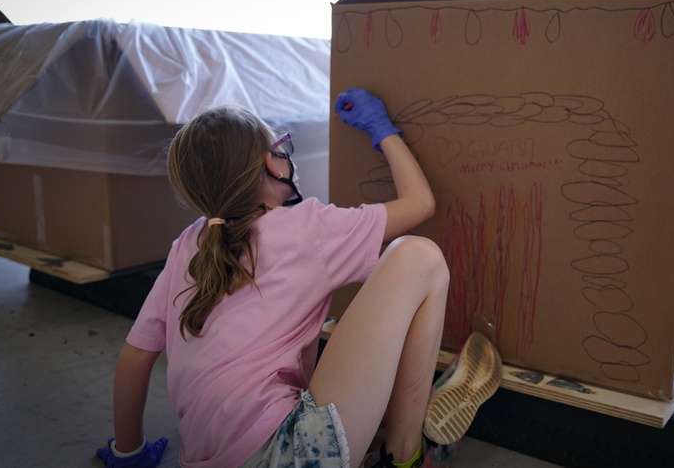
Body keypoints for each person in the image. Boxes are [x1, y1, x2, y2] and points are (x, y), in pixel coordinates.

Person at [95, 88, 502, 468]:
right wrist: (383, 131)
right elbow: (421, 204)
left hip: (205, 457)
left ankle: (395, 422)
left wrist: (129, 452)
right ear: (272, 162)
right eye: (282, 147)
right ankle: (407, 453)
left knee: (308, 392)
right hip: (289, 454)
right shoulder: (306, 227)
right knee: (418, 255)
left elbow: (135, 358)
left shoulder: (189, 244)